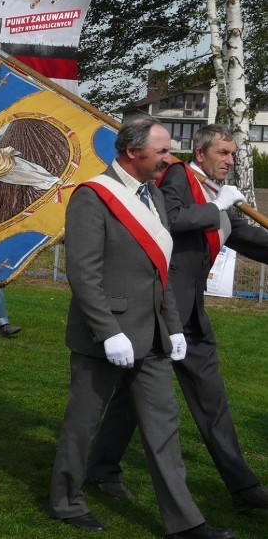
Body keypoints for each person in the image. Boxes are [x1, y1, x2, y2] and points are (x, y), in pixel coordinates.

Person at [49, 117, 234, 539]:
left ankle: (185, 522)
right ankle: (65, 501)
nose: (170, 159)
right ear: (134, 153)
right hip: (106, 336)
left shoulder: (152, 194)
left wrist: (174, 328)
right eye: (163, 151)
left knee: (164, 427)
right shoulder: (93, 197)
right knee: (83, 422)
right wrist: (107, 330)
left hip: (152, 335)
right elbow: (83, 273)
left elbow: (160, 271)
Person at [88, 123, 268, 513]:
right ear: (200, 153)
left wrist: (218, 209)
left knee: (205, 400)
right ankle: (100, 469)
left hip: (190, 315)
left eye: (233, 153)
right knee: (138, 397)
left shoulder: (212, 193)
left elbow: (239, 234)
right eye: (222, 152)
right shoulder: (175, 176)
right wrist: (214, 208)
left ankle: (242, 488)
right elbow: (167, 217)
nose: (230, 160)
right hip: (161, 311)